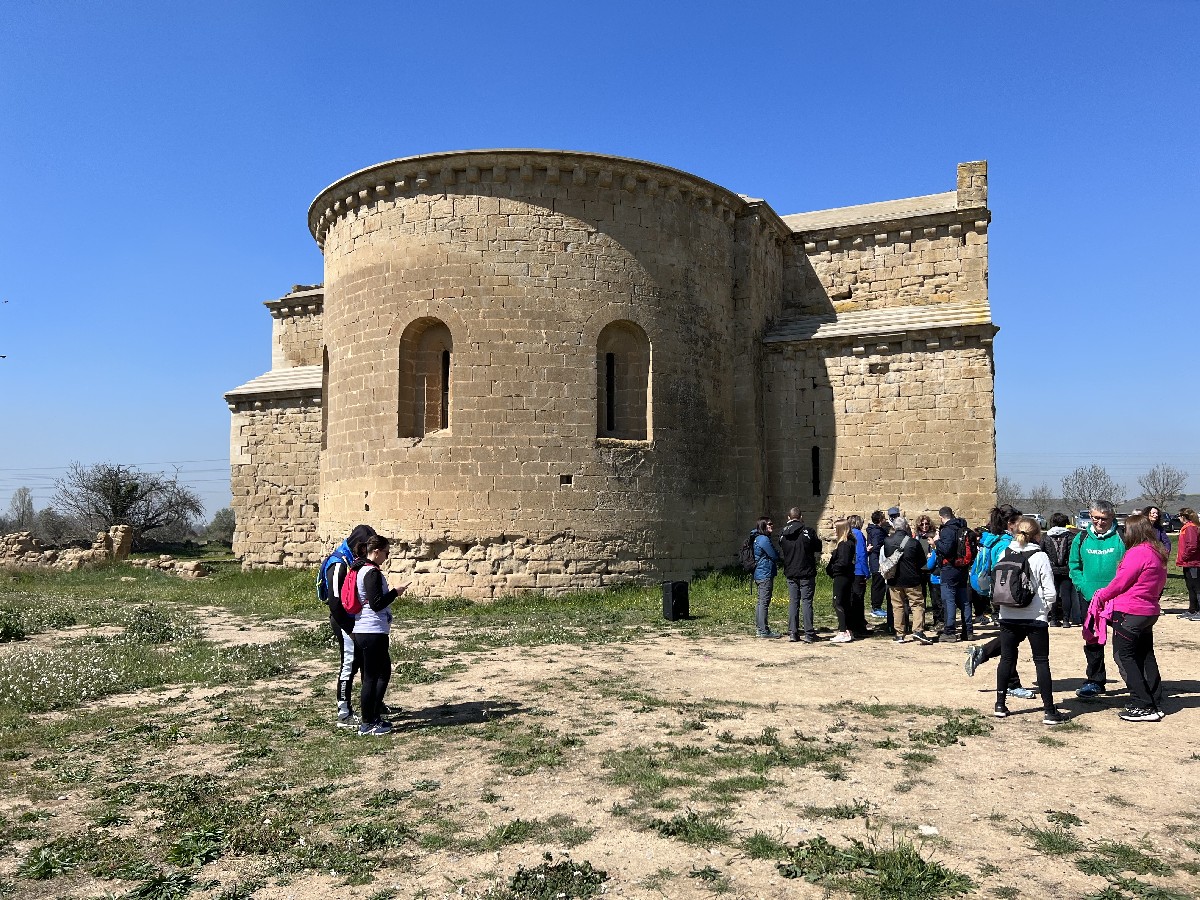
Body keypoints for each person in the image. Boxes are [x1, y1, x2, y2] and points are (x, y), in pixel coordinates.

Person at [1088, 514, 1168, 721]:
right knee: (1145, 655)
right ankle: (1154, 699)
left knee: (1124, 656)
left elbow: (1121, 581)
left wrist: (1102, 596)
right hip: (1148, 611)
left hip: (1130, 612)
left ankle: (1142, 703)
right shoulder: (1157, 552)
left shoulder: (1137, 553)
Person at [993, 517, 1068, 725]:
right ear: (1037, 535)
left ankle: (1000, 704)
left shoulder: (1004, 553)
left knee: (1006, 660)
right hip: (1035, 617)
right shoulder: (1040, 556)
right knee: (1041, 661)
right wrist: (1045, 610)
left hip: (1007, 615)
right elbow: (1050, 592)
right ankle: (1049, 711)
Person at [963, 508, 1034, 699]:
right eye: (1019, 522)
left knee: (1013, 637)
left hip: (999, 593)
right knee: (1011, 639)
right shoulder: (1005, 544)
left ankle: (984, 653)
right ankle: (1010, 683)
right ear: (1010, 524)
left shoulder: (992, 540)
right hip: (1010, 594)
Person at [350, 535, 409, 736]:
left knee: (380, 673)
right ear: (376, 552)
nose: (387, 557)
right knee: (373, 677)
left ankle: (373, 718)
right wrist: (395, 593)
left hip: (365, 630)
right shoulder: (371, 573)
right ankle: (368, 723)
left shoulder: (361, 569)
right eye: (386, 553)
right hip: (372, 631)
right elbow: (376, 604)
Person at [319, 523, 377, 728]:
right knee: (349, 664)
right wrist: (349, 630)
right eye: (366, 547)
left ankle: (372, 706)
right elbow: (335, 603)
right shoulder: (338, 564)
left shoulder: (353, 559)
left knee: (366, 662)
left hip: (357, 621)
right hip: (344, 621)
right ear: (358, 544)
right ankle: (344, 713)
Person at [1070, 500, 1126, 699]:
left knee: (1126, 641)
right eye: (1095, 518)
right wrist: (1083, 586)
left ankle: (1134, 682)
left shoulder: (1123, 536)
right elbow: (1074, 566)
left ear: (1112, 517)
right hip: (1091, 598)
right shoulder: (1081, 538)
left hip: (1118, 598)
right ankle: (1095, 681)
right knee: (1093, 640)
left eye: (1104, 518)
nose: (1099, 522)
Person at [882, 516, 934, 644]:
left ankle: (899, 634)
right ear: (906, 527)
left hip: (894, 579)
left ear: (894, 527)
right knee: (917, 605)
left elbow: (888, 557)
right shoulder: (913, 542)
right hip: (912, 578)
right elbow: (922, 561)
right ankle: (918, 630)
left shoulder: (887, 541)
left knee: (897, 606)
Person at [779, 507, 822, 643]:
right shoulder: (808, 532)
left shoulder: (783, 533)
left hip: (791, 571)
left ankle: (793, 632)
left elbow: (782, 547)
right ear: (801, 517)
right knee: (807, 601)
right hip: (806, 571)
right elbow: (818, 547)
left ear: (788, 518)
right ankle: (809, 633)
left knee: (793, 602)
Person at [934, 506, 973, 642]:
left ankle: (949, 631)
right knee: (964, 600)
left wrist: (936, 541)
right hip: (963, 568)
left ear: (941, 517)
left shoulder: (947, 530)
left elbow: (947, 549)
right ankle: (968, 631)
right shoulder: (963, 527)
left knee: (949, 600)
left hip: (949, 568)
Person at [1042, 513, 1081, 626]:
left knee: (1053, 594)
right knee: (1066, 595)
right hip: (1066, 569)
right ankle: (1066, 620)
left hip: (1051, 570)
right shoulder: (1071, 536)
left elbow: (1042, 551)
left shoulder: (1046, 536)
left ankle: (1053, 620)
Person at [825, 519, 856, 643]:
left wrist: (833, 569)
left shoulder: (844, 544)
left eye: (835, 528)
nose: (834, 530)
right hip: (846, 576)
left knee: (837, 602)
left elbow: (843, 562)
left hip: (842, 576)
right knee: (845, 603)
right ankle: (848, 630)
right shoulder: (849, 543)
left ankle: (843, 631)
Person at [751, 517, 781, 638]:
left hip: (760, 573)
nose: (771, 526)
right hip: (765, 573)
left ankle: (760, 628)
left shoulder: (758, 538)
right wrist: (777, 553)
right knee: (764, 602)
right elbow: (773, 555)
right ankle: (763, 630)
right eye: (769, 524)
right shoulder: (763, 539)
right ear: (763, 525)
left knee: (761, 602)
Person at [914, 514, 940, 628]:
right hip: (920, 570)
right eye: (922, 524)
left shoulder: (933, 536)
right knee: (921, 597)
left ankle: (938, 620)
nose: (924, 526)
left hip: (932, 570)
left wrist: (934, 547)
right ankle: (921, 622)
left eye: (926, 524)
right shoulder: (916, 537)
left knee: (935, 597)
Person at [847, 515, 871, 637]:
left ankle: (852, 625)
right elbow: (861, 554)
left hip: (850, 571)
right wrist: (866, 572)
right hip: (858, 571)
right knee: (858, 600)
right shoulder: (858, 534)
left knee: (852, 599)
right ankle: (859, 627)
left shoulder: (848, 534)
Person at [866, 510, 891, 620]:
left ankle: (876, 606)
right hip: (877, 561)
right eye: (884, 518)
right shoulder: (877, 531)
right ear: (880, 520)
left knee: (878, 583)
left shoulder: (875, 530)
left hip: (875, 560)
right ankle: (876, 608)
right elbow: (876, 546)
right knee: (878, 584)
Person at [1178, 508, 1200, 619]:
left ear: (1183, 517)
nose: (1178, 518)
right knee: (1191, 587)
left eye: (1179, 516)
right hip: (1188, 563)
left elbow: (1192, 546)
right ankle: (1192, 610)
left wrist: (1184, 557)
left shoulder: (1190, 528)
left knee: (1197, 587)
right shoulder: (1187, 527)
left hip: (1193, 563)